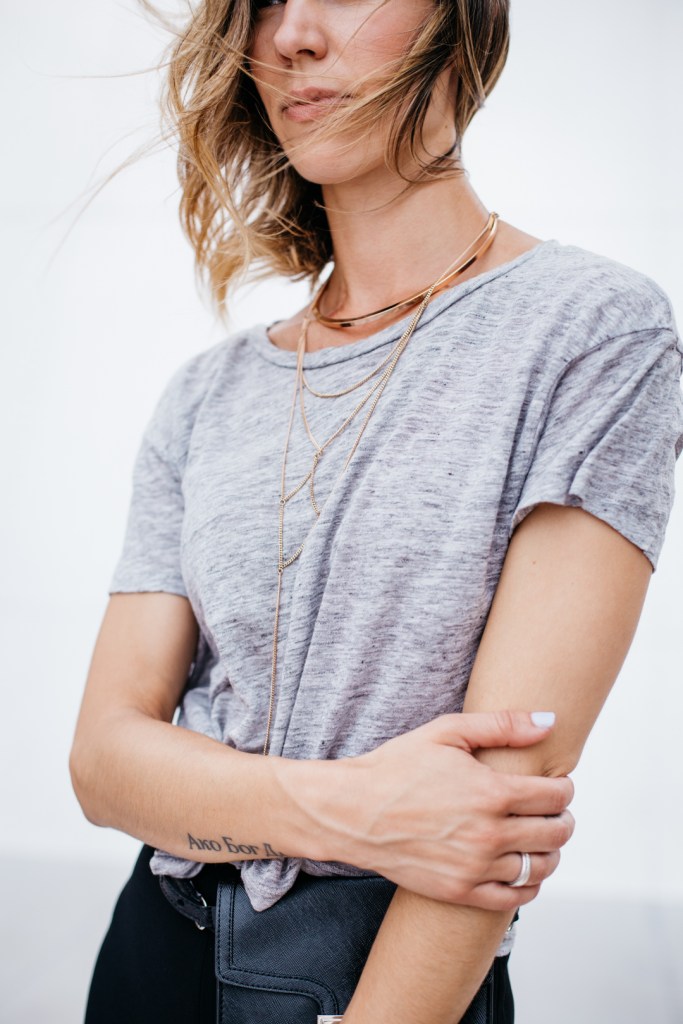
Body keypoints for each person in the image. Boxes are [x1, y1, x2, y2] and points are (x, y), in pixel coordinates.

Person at [69, 0, 683, 1021]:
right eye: (264, 2)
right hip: (151, 951)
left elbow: (499, 801)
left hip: (377, 975)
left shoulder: (591, 333)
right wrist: (352, 809)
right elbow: (102, 763)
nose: (291, 35)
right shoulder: (206, 393)